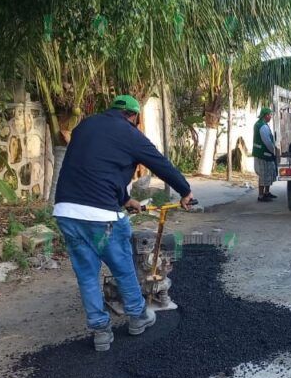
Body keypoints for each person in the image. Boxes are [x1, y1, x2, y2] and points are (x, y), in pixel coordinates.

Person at [53, 95, 194, 352]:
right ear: (134, 117)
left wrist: (126, 199)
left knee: (86, 275)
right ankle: (138, 316)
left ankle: (100, 332)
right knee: (123, 266)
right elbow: (160, 163)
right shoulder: (129, 133)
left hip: (66, 212)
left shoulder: (85, 126)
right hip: (101, 219)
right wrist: (185, 191)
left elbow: (98, 169)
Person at [252, 107, 279, 202]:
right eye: (270, 115)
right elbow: (267, 142)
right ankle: (261, 195)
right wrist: (274, 151)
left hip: (264, 154)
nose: (271, 117)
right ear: (265, 115)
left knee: (269, 174)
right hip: (263, 154)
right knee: (263, 175)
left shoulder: (261, 124)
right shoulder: (262, 126)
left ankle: (266, 193)